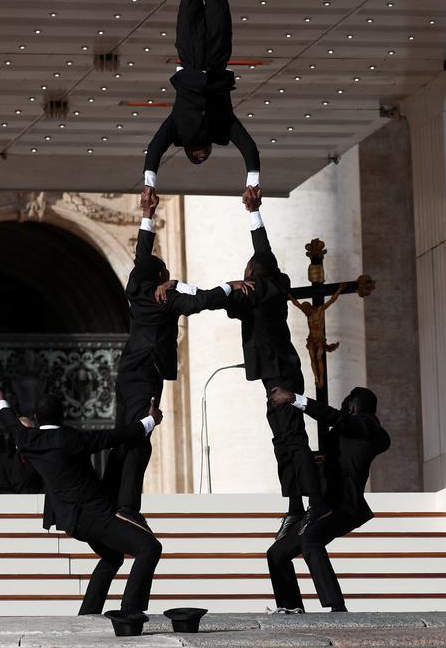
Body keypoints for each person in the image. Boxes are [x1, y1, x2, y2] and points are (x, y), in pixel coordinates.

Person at [105, 189, 248, 527]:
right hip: (147, 376)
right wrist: (229, 285)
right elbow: (203, 301)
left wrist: (146, 216)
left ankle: (109, 496)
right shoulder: (164, 300)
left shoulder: (136, 291)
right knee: (140, 439)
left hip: (127, 375)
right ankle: (126, 507)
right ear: (160, 281)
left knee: (126, 436)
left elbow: (142, 256)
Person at [0, 385, 163, 618]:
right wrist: (150, 420)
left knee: (113, 557)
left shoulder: (28, 439)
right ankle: (130, 611)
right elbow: (115, 436)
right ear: (63, 417)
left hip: (73, 522)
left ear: (38, 419)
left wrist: (1, 401)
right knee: (150, 547)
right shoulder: (70, 438)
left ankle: (88, 614)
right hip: (96, 516)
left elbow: (10, 422)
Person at [141, 0, 259, 208]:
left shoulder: (177, 128)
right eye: (204, 156)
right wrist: (253, 182)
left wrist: (149, 184)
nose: (201, 154)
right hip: (219, 53)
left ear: (189, 148)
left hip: (190, 54)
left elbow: (154, 149)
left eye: (196, 156)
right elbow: (250, 149)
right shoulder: (223, 127)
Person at [223, 188, 322, 538]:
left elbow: (262, 255)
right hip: (274, 375)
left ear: (254, 273)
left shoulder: (267, 287)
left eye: (246, 271)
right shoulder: (264, 290)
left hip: (282, 374)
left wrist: (256, 214)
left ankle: (315, 505)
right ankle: (295, 507)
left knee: (292, 440)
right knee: (282, 441)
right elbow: (225, 300)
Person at [265, 385, 391, 613]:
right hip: (323, 504)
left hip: (342, 505)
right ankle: (290, 607)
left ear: (352, 408)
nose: (341, 410)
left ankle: (337, 607)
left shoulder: (367, 426)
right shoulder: (346, 433)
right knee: (277, 554)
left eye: (345, 405)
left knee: (310, 539)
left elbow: (334, 417)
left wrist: (294, 398)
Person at [0, 414, 44, 494]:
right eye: (20, 430)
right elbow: (2, 487)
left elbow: (46, 484)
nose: (24, 434)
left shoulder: (41, 458)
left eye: (27, 431)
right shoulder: (4, 460)